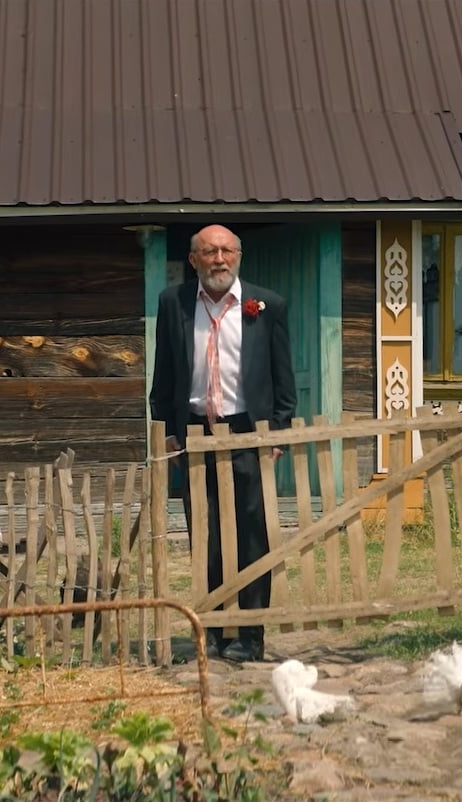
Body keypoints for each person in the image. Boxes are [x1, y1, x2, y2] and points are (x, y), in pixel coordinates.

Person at [149, 224, 296, 663]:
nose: (219, 259)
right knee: (205, 533)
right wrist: (167, 428)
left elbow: (283, 376)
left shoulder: (266, 306)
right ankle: (212, 632)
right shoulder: (172, 302)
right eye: (210, 251)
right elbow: (164, 372)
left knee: (253, 535)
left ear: (238, 256)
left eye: (227, 251)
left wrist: (279, 431)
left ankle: (250, 635)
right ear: (193, 259)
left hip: (248, 431)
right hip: (195, 433)